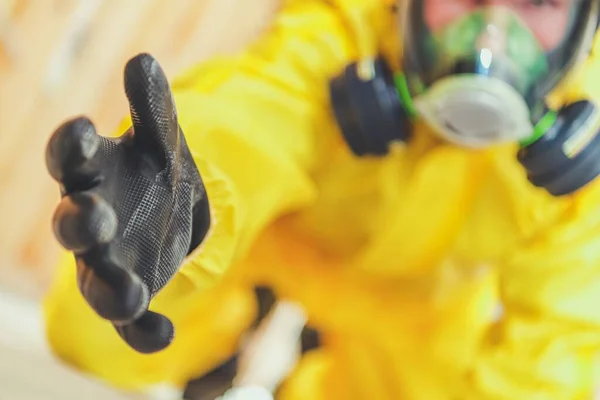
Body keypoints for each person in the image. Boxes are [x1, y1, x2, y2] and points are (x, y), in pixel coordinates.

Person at [42, 0, 600, 398]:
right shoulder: (343, 30)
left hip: (415, 311)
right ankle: (225, 339)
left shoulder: (585, 151)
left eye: (539, 2)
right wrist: (187, 202)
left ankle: (304, 380)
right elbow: (254, 111)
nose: (493, 35)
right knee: (94, 327)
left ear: (582, 29)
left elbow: (554, 358)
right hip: (275, 242)